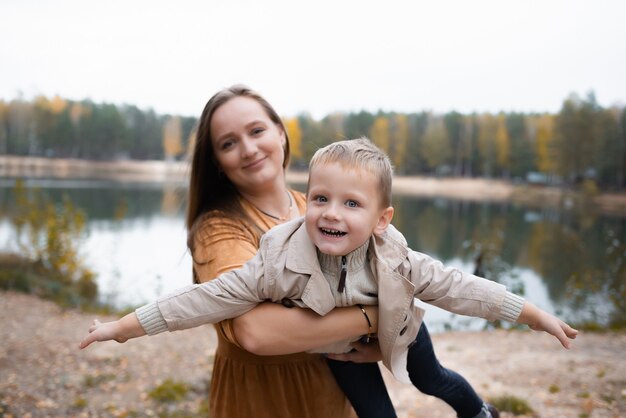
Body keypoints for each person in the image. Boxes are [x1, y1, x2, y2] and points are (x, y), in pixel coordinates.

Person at [79, 136, 578, 417]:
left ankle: (479, 414)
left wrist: (532, 314)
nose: (330, 213)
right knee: (378, 415)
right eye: (320, 198)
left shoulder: (397, 257)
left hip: (398, 325)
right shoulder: (278, 258)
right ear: (306, 199)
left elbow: (462, 288)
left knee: (434, 380)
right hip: (339, 346)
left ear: (382, 219)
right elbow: (208, 298)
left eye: (351, 204)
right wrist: (124, 328)